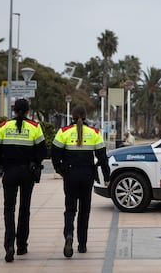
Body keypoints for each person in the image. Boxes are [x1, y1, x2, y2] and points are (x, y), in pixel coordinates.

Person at [0, 99, 47, 262]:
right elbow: (42, 151)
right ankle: (22, 245)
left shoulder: (2, 127)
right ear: (28, 111)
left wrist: (1, 165)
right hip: (27, 173)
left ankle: (9, 246)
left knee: (9, 209)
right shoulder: (35, 127)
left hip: (9, 172)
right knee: (24, 208)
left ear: (14, 111)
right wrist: (35, 162)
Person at [51, 105, 110, 258]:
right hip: (87, 174)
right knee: (85, 210)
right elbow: (103, 158)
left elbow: (54, 154)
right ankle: (82, 245)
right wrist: (107, 177)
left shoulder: (63, 132)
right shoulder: (95, 133)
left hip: (70, 174)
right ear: (85, 117)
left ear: (72, 116)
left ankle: (69, 235)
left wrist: (60, 170)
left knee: (70, 209)